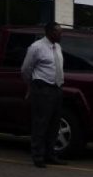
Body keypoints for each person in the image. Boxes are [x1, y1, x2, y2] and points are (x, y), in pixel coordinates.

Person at [21, 21, 66, 168]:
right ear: (49, 32)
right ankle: (38, 156)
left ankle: (50, 154)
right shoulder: (36, 47)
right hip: (42, 88)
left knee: (54, 124)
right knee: (41, 123)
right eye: (58, 31)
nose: (61, 34)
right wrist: (32, 85)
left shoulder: (57, 46)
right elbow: (26, 69)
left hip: (57, 88)